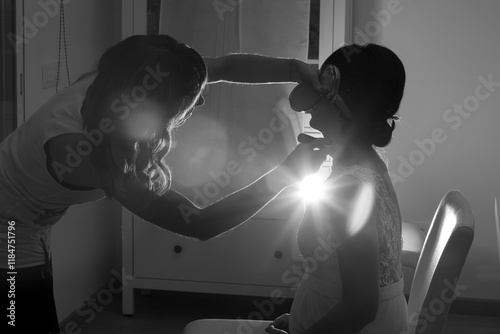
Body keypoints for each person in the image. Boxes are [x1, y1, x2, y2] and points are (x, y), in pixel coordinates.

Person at [0, 34, 331, 334]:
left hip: (32, 213)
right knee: (23, 317)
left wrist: (294, 69)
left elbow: (227, 65)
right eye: (184, 106)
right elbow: (199, 223)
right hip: (10, 227)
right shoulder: (87, 154)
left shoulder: (125, 79)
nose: (198, 104)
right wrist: (285, 176)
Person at [266, 43, 408, 334]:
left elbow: (360, 307)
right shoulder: (369, 160)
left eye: (322, 88)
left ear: (345, 99)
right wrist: (299, 321)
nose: (312, 95)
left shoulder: (350, 187)